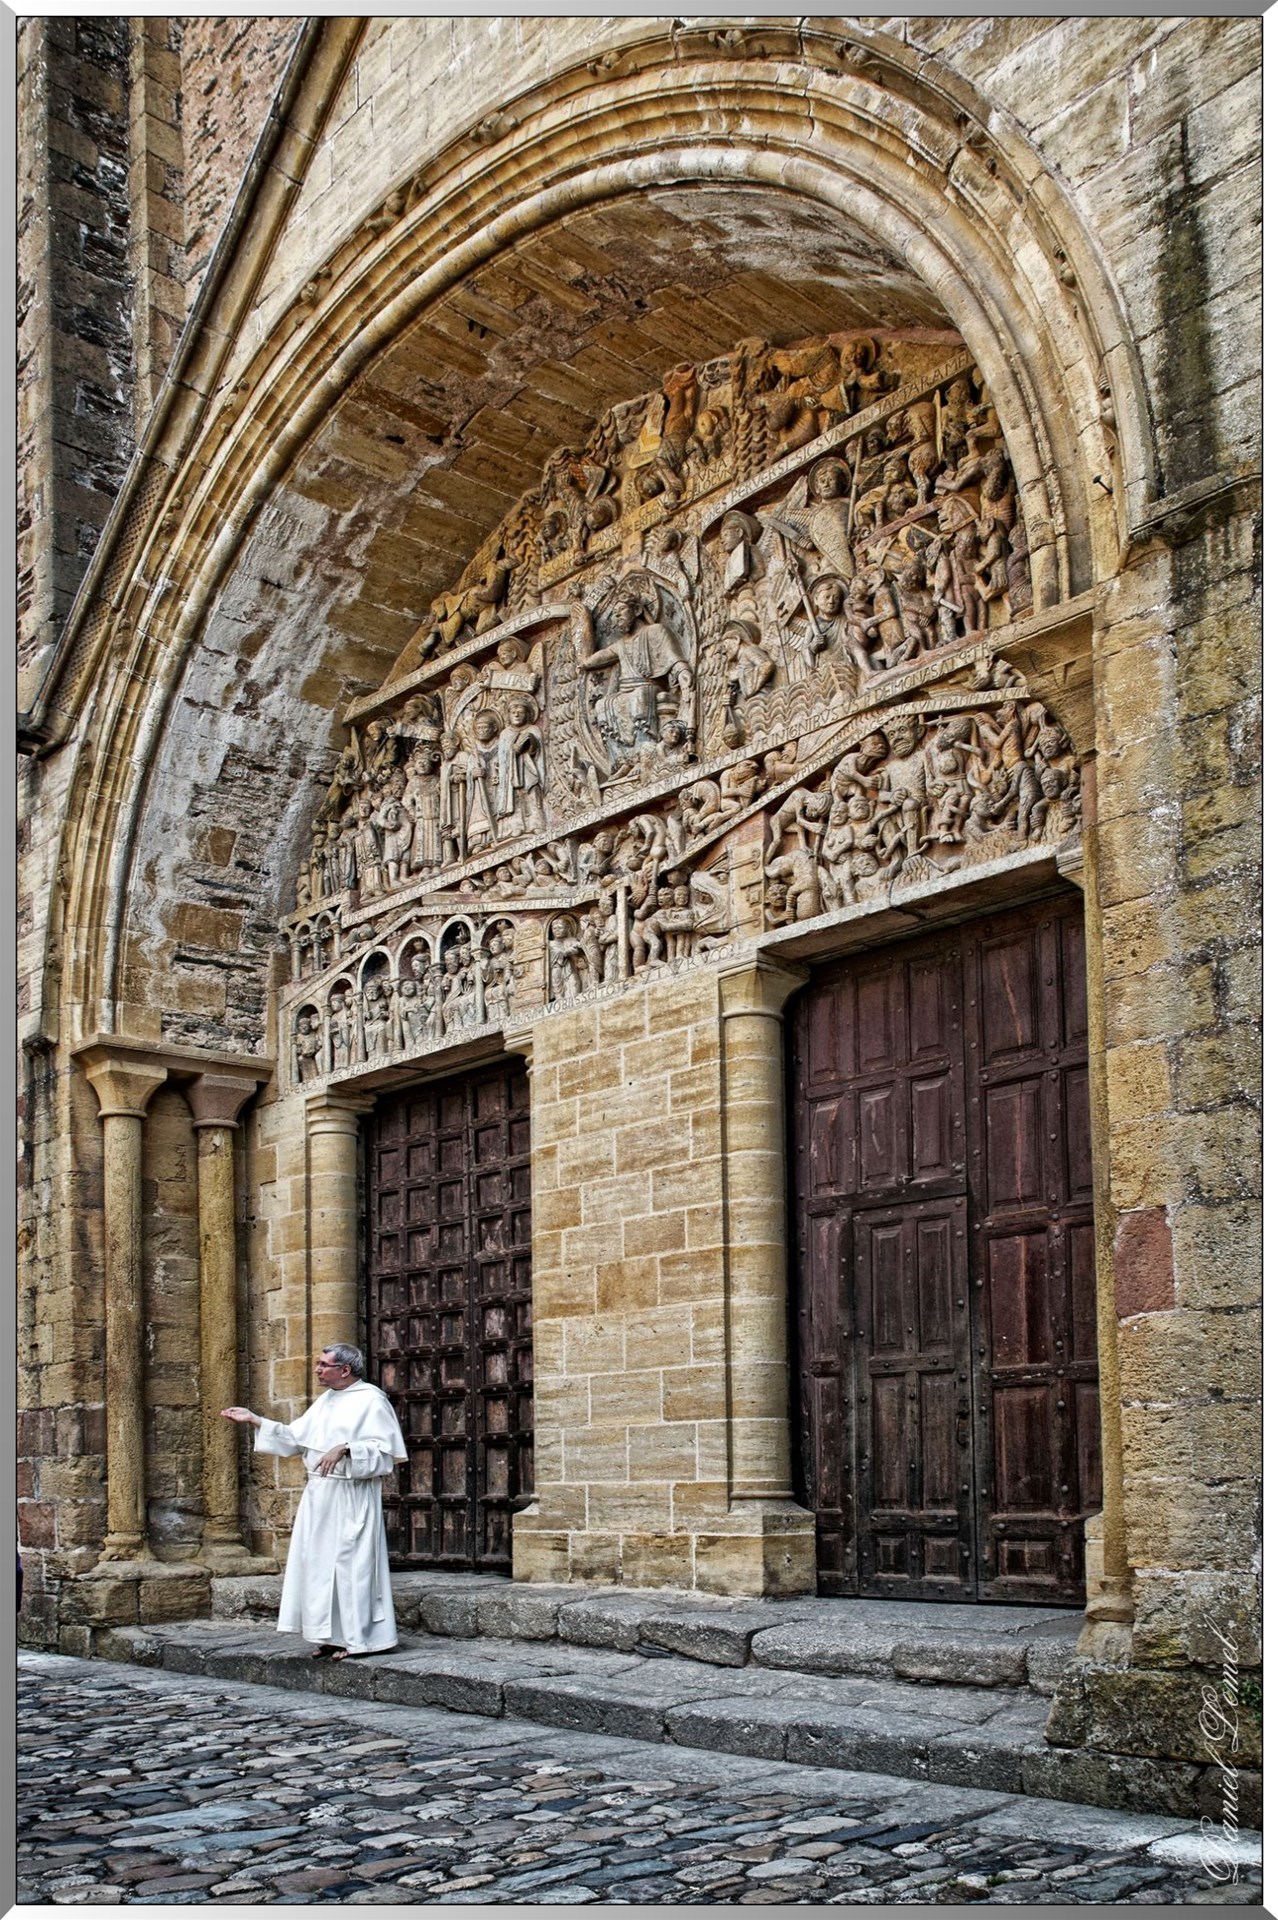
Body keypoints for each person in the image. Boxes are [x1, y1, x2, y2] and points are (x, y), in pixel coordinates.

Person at [222, 1345, 406, 1660]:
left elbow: (385, 1452)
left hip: (351, 1496)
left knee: (352, 1566)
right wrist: (255, 1420)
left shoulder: (372, 1400)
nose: (318, 1370)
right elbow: (295, 1438)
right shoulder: (327, 1400)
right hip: (320, 1498)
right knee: (320, 1566)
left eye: (324, 1365)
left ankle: (360, 1640)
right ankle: (332, 1636)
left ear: (345, 1370)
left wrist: (346, 1448)